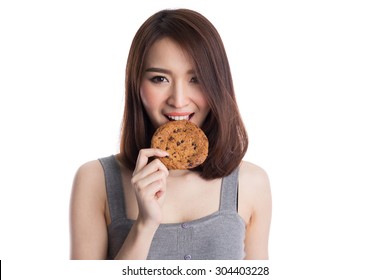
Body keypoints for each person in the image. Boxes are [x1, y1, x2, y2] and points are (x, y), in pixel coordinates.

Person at [70, 8, 272, 260]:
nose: (178, 100)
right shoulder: (95, 179)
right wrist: (144, 225)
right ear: (136, 85)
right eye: (160, 79)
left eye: (196, 79)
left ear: (217, 83)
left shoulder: (251, 182)